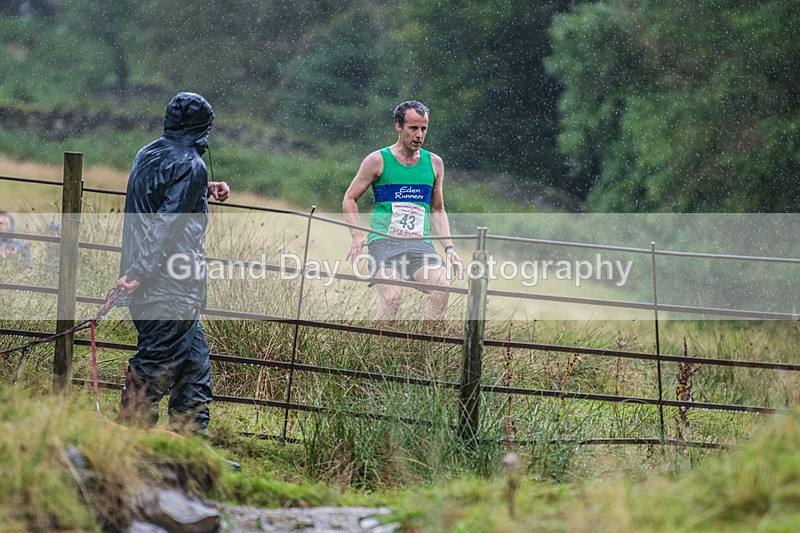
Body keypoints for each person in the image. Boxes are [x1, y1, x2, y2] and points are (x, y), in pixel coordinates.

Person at [115, 92, 230, 437]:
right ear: (204, 128)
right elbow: (167, 222)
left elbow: (158, 195)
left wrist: (203, 189)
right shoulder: (191, 164)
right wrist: (141, 271)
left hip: (159, 286)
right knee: (154, 366)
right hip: (170, 286)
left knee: (194, 368)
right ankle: (127, 442)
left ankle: (191, 446)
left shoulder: (148, 153)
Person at [343, 100, 463, 321]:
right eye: (413, 128)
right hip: (385, 243)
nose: (419, 134)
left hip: (419, 244)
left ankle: (421, 349)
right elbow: (350, 198)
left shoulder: (434, 163)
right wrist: (357, 235)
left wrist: (449, 247)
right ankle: (378, 350)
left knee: (443, 288)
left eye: (424, 129)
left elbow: (437, 209)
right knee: (392, 297)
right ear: (398, 126)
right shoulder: (377, 160)